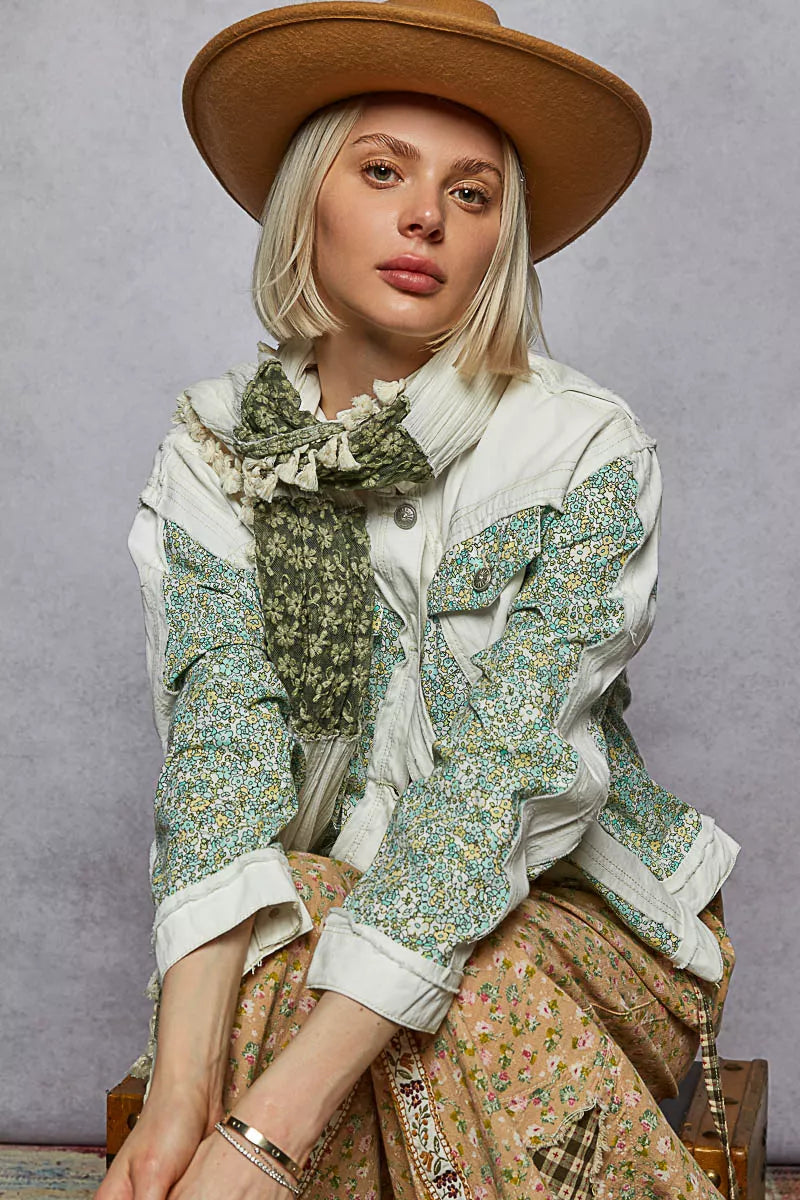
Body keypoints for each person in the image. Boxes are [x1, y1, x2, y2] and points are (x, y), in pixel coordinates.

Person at [99, 2, 741, 1198]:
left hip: (574, 928)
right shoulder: (218, 450)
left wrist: (262, 1133)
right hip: (315, 923)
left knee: (381, 958)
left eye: (471, 193)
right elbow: (221, 759)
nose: (422, 219)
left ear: (503, 236)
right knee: (306, 911)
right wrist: (179, 1103)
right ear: (308, 201)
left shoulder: (582, 451)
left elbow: (497, 782)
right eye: (382, 171)